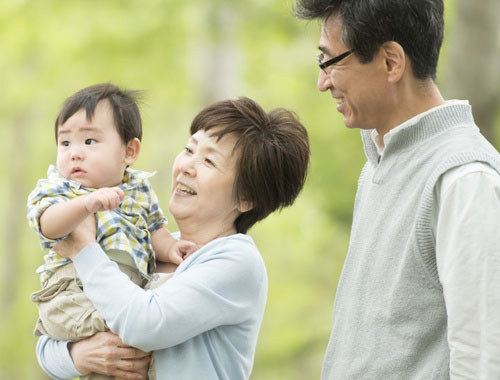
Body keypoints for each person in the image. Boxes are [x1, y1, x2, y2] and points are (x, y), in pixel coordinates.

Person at [35, 96, 311, 379]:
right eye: (189, 149)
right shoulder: (144, 244)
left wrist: (83, 248)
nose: (187, 166)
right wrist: (80, 356)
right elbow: (46, 341)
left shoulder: (236, 261)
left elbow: (146, 324)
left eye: (209, 160)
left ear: (246, 197)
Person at [294, 0, 500, 379]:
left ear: (391, 61)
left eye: (331, 61)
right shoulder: (376, 167)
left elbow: (483, 360)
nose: (323, 81)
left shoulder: (463, 179)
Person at [27, 83, 196, 379]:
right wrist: (84, 205)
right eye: (65, 143)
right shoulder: (61, 188)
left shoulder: (138, 188)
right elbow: (48, 224)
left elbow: (155, 229)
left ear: (129, 151)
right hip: (71, 290)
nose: (75, 154)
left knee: (133, 347)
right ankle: (114, 335)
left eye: (89, 141)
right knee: (108, 336)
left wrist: (170, 248)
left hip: (126, 290)